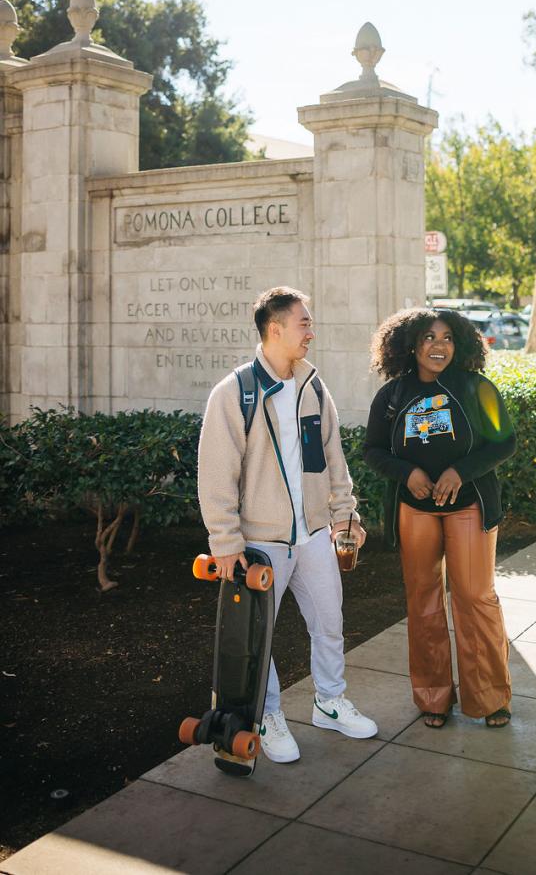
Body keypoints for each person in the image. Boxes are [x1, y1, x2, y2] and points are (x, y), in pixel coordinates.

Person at [197, 286, 377, 763]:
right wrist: (226, 543)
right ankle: (268, 716)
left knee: (329, 623)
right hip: (261, 541)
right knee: (260, 637)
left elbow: (333, 459)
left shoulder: (313, 386)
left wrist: (345, 516)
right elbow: (216, 474)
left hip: (315, 534)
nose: (311, 332)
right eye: (304, 323)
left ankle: (329, 702)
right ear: (274, 328)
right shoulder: (234, 392)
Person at [364, 308, 516, 729]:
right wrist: (407, 473)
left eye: (447, 337)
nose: (439, 345)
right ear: (411, 346)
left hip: (469, 504)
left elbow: (505, 443)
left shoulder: (477, 388)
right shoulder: (393, 396)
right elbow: (373, 450)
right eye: (429, 337)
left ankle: (490, 697)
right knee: (424, 600)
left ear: (460, 344)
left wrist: (460, 472)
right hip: (416, 508)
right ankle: (433, 697)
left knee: (474, 597)